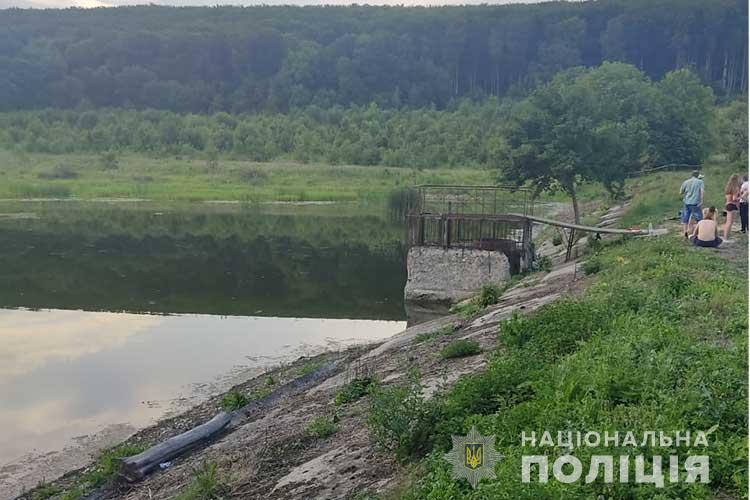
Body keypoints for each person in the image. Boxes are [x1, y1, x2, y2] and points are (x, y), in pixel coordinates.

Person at [679, 170, 704, 238]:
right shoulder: (700, 182)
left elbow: (681, 192)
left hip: (686, 202)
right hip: (695, 202)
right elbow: (702, 191)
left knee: (685, 218)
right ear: (698, 175)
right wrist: (701, 201)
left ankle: (685, 232)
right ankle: (699, 233)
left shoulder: (686, 182)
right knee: (699, 218)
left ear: (691, 175)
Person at [722, 174, 742, 241]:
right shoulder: (735, 188)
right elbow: (734, 198)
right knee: (730, 223)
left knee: (727, 222)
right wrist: (741, 197)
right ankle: (726, 238)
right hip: (732, 205)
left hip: (727, 205)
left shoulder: (728, 187)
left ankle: (725, 236)